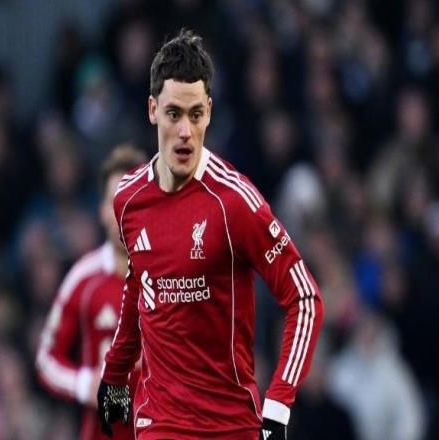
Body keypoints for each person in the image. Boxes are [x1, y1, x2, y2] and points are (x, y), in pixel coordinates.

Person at [97, 29, 324, 440]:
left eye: (196, 114)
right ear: (152, 110)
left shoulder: (234, 202)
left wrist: (278, 404)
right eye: (173, 114)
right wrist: (115, 372)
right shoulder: (128, 200)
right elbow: (140, 283)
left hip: (229, 425)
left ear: (210, 113)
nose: (185, 130)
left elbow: (304, 297)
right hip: (160, 421)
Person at [36, 144, 147, 440]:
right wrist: (86, 385)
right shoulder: (84, 279)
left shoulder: (175, 277)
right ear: (102, 211)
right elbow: (46, 359)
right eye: (115, 201)